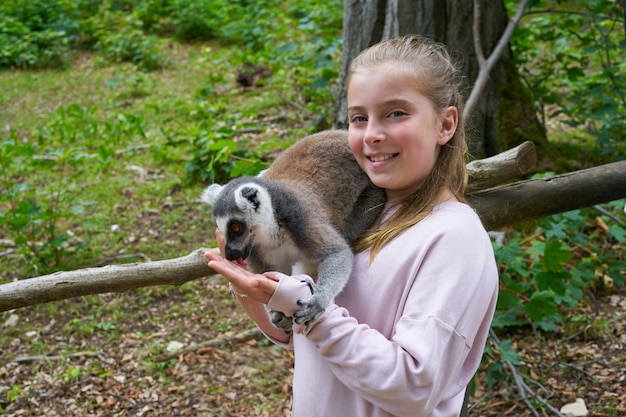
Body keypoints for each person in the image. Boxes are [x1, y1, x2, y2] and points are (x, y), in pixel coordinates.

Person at [205, 35, 499, 417]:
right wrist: (250, 288)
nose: (372, 133)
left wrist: (306, 307)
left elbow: (411, 387)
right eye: (359, 118)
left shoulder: (453, 239)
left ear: (445, 125)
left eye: (396, 113)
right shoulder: (360, 216)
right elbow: (307, 340)